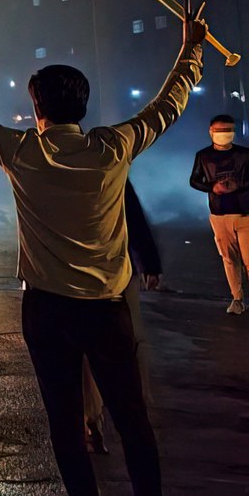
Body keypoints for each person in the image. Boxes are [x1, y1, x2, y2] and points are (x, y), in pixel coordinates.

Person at [0, 1, 206, 496]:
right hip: (108, 309)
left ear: (36, 108)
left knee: (68, 427)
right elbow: (169, 104)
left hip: (48, 311)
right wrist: (191, 47)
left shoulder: (22, 151)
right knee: (133, 421)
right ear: (85, 105)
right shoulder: (113, 147)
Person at [82, 181, 163, 454]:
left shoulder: (45, 165)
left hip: (71, 278)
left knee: (84, 354)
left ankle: (92, 420)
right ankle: (134, 416)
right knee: (130, 344)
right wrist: (148, 261)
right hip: (116, 271)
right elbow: (133, 216)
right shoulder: (108, 160)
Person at [190, 113, 249, 315]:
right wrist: (212, 187)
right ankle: (238, 299)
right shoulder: (203, 156)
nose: (223, 135)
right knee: (229, 259)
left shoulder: (244, 155)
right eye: (219, 131)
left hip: (245, 215)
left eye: (227, 131)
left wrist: (238, 185)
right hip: (219, 215)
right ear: (210, 132)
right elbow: (194, 180)